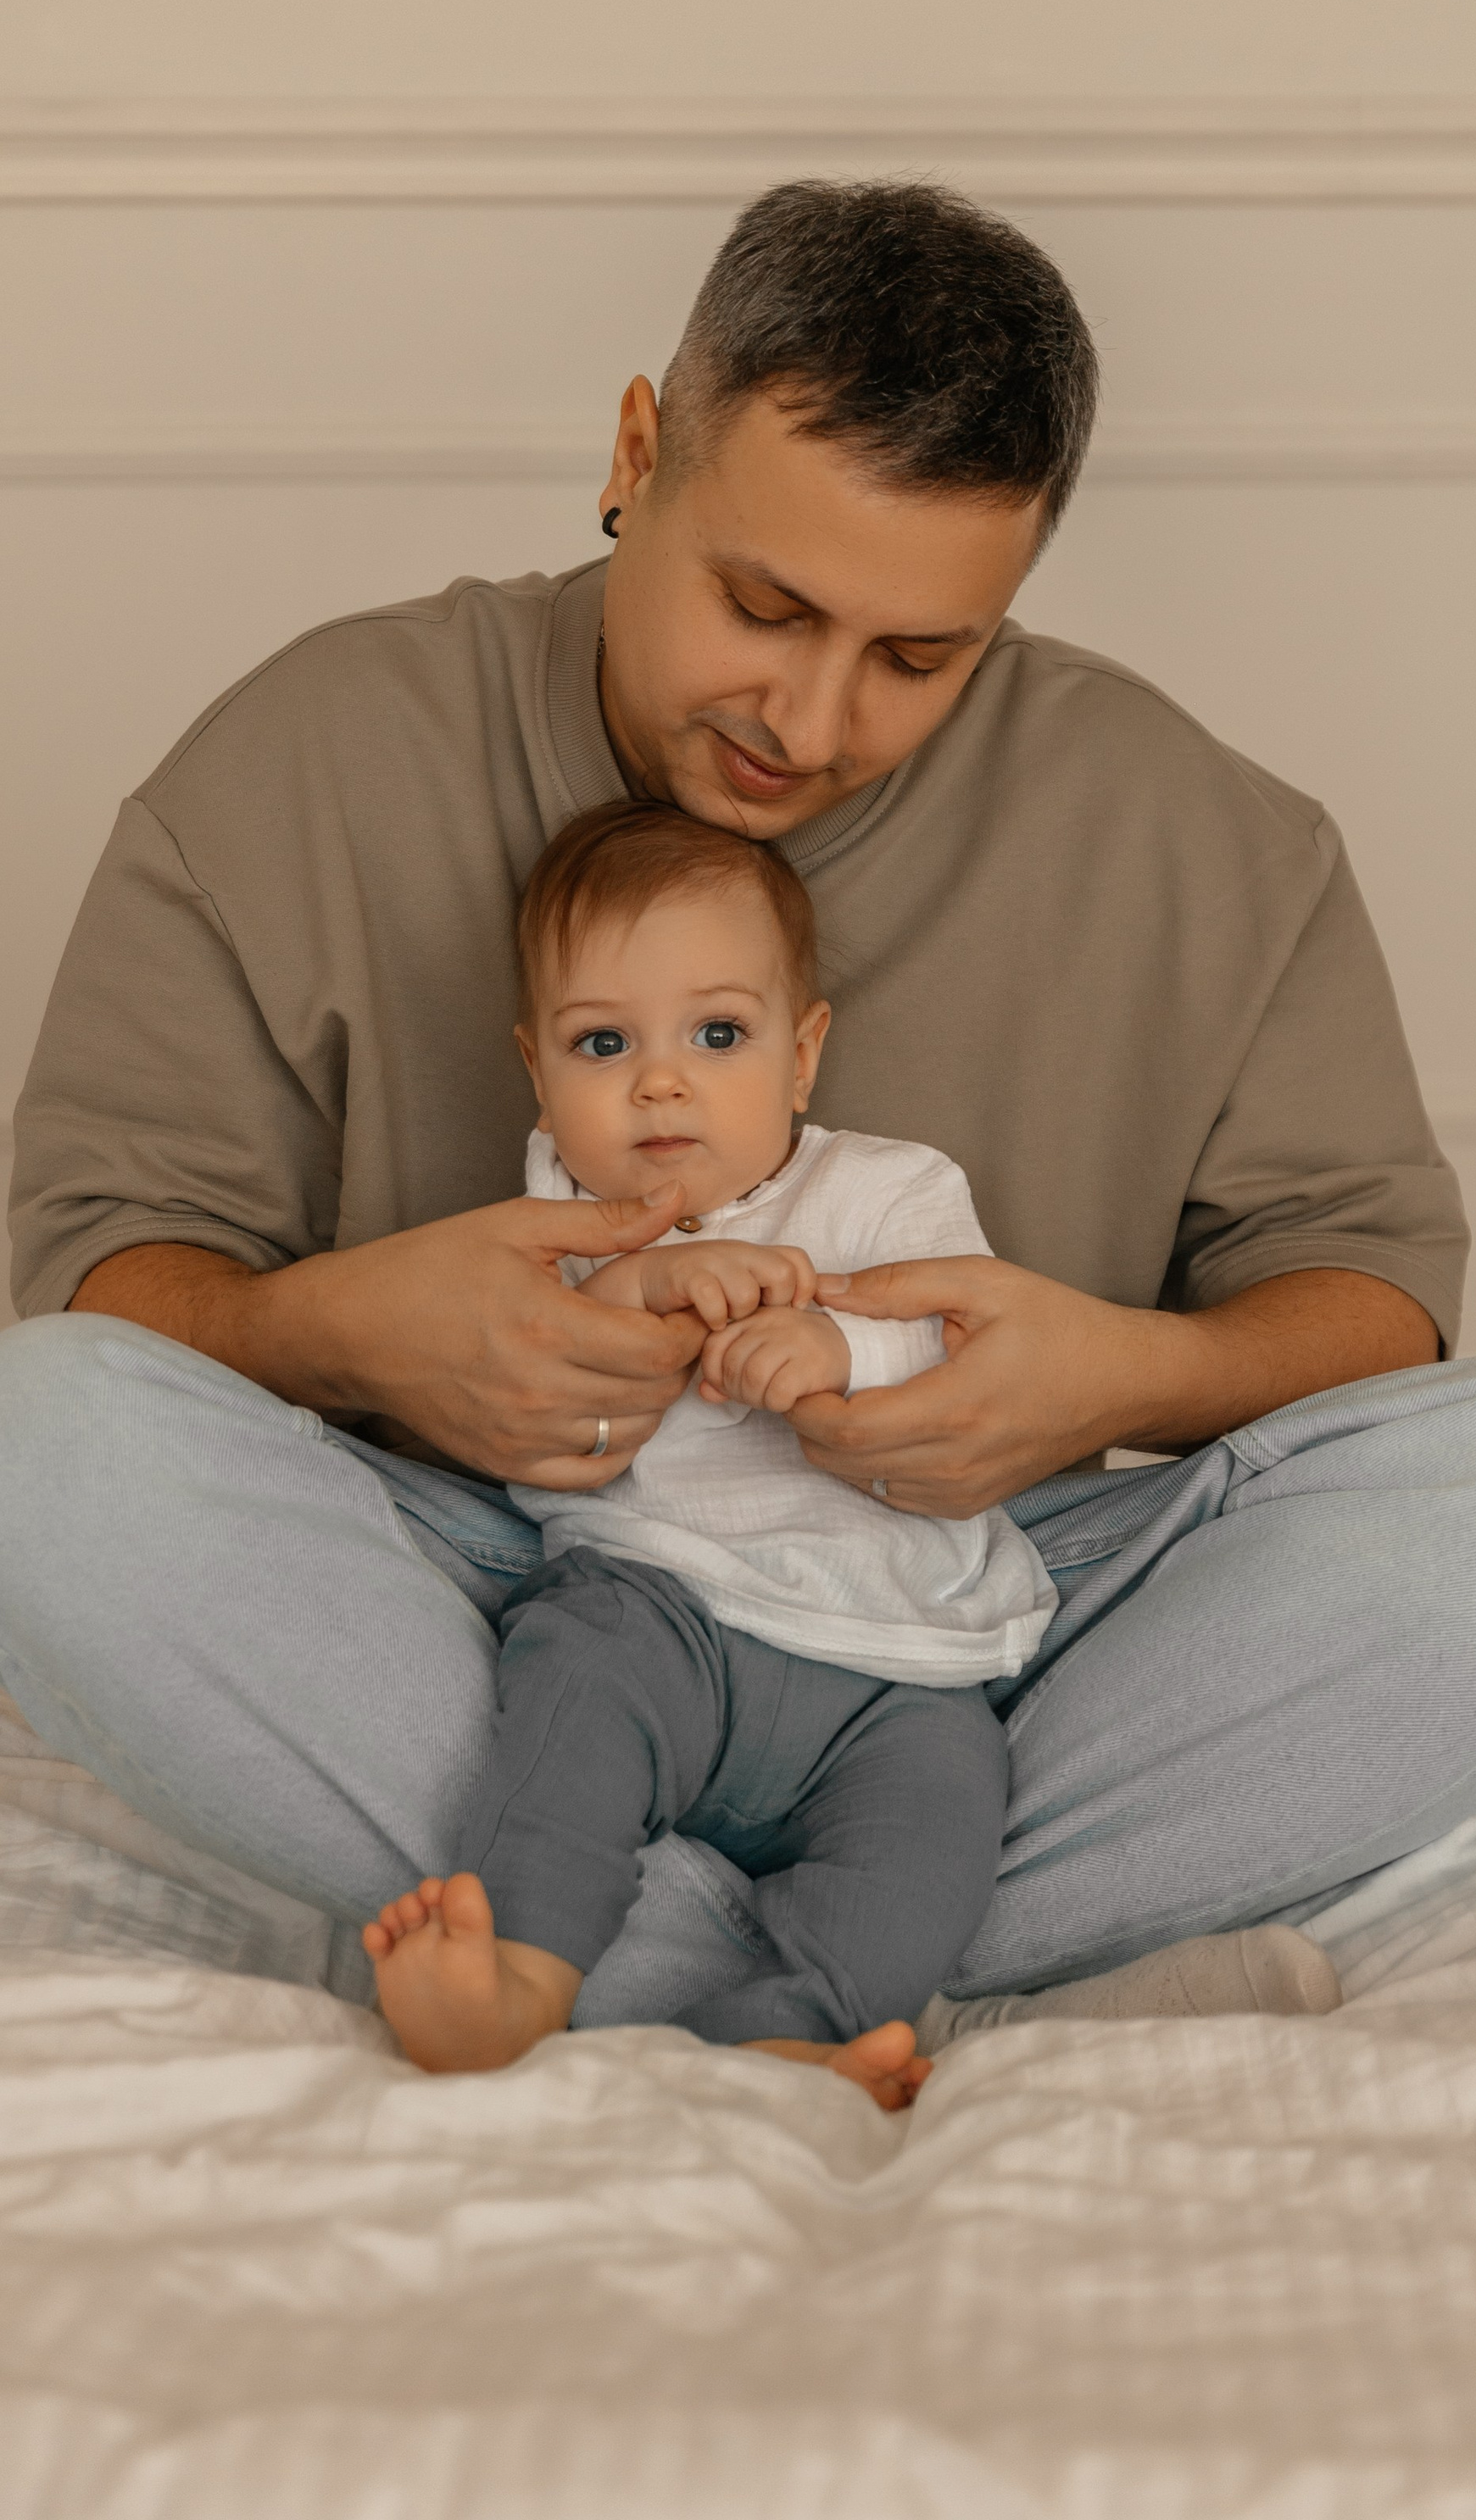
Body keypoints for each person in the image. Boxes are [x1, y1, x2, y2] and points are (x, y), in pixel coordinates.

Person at [0, 179, 1476, 2043]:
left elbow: (1371, 1297)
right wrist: (339, 1328)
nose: (812, 718)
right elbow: (115, 1276)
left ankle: (586, 1943)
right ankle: (875, 1978)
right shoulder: (300, 760)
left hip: (978, 1617)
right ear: (634, 452)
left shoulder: (1207, 840)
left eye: (920, 657)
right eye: (764, 603)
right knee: (29, 1450)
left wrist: (1119, 1377)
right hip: (518, 1588)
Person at [369, 797, 1049, 2100]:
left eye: (717, 1034)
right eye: (603, 1042)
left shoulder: (890, 1190)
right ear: (537, 1069)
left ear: (803, 1056)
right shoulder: (559, 1215)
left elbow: (969, 1351)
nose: (659, 1080)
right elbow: (542, 1385)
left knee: (946, 1814)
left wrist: (843, 1349)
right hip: (657, 1605)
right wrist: (647, 1289)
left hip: (885, 1664)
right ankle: (517, 1971)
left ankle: (792, 2025)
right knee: (565, 1706)